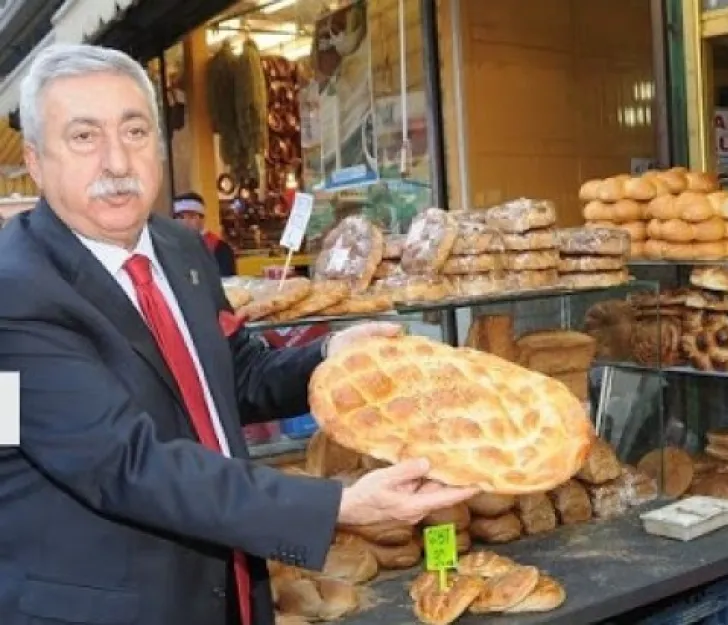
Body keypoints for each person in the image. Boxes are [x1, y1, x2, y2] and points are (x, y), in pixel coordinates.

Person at [0, 43, 478, 625]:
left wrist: (331, 355)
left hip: (229, 588)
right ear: (35, 159)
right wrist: (337, 507)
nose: (117, 162)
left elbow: (236, 373)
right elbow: (126, 463)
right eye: (84, 137)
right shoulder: (16, 290)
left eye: (134, 131)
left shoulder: (179, 249)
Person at [173, 190, 237, 276]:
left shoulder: (220, 248)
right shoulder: (170, 247)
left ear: (203, 219)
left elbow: (228, 283)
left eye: (192, 216)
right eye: (180, 217)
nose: (185, 222)